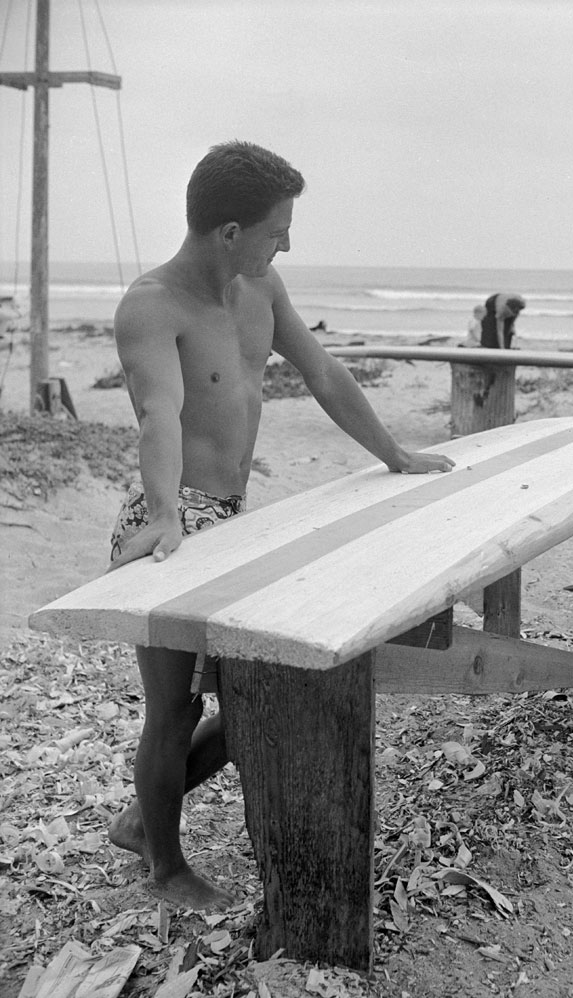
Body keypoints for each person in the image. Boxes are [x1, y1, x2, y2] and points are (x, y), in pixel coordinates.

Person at [105, 141, 455, 910]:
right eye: (277, 227)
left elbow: (324, 373)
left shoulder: (261, 289)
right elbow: (157, 413)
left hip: (232, 521)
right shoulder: (152, 305)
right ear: (229, 231)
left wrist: (394, 453)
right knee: (175, 709)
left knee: (264, 695)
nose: (286, 242)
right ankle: (163, 864)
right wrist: (165, 512)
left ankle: (141, 820)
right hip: (169, 524)